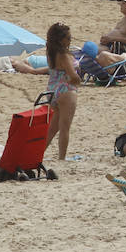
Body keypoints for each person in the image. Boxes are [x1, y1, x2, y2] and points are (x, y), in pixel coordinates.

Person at [42, 22, 81, 162]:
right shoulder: (63, 55)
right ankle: (62, 158)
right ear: (60, 39)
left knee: (52, 129)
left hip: (52, 90)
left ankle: (38, 154)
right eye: (68, 38)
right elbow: (73, 76)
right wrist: (78, 81)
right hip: (66, 90)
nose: (70, 40)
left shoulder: (51, 53)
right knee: (65, 128)